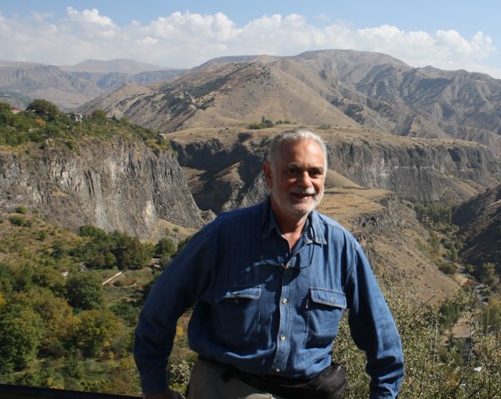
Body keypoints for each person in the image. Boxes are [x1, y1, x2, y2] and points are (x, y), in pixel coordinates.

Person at [134, 128, 404, 399]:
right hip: (226, 388)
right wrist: (154, 388)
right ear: (268, 174)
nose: (305, 182)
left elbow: (383, 341)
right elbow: (158, 311)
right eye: (292, 171)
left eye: (315, 172)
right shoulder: (223, 236)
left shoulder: (341, 247)